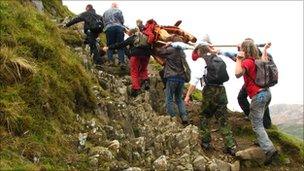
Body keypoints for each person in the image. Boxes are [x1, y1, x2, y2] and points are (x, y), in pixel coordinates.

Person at [185, 44, 236, 156]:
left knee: (204, 115)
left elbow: (195, 79)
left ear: (199, 51)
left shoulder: (201, 60)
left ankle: (206, 142)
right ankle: (231, 146)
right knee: (223, 118)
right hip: (222, 90)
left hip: (209, 90)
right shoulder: (218, 58)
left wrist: (188, 95)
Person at [235, 39, 277, 164]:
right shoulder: (259, 60)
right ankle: (262, 141)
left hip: (258, 96)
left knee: (256, 123)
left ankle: (269, 149)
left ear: (245, 50)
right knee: (259, 119)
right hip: (267, 93)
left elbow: (237, 73)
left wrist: (238, 58)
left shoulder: (247, 61)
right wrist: (264, 49)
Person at [223, 43, 272, 129]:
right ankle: (260, 120)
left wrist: (237, 57)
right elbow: (234, 56)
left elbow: (238, 69)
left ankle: (262, 121)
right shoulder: (256, 55)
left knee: (245, 98)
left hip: (255, 83)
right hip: (258, 82)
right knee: (245, 98)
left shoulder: (251, 58)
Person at [103, 28, 151, 97]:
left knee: (134, 71)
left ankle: (136, 89)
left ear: (131, 33)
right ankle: (146, 81)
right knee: (143, 69)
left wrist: (109, 47)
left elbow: (121, 44)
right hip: (147, 55)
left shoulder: (132, 38)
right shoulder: (145, 37)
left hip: (136, 54)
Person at [155, 37, 189, 125]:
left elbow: (159, 52)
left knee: (169, 98)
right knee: (179, 99)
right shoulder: (182, 52)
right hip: (181, 78)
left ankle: (172, 117)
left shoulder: (171, 49)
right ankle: (184, 116)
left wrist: (166, 46)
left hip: (172, 77)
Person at [103, 2, 126, 69]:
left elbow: (103, 21)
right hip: (119, 28)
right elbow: (122, 21)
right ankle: (122, 62)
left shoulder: (105, 12)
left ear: (111, 6)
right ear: (116, 6)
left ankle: (110, 61)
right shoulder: (119, 11)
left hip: (109, 28)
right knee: (120, 45)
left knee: (110, 45)